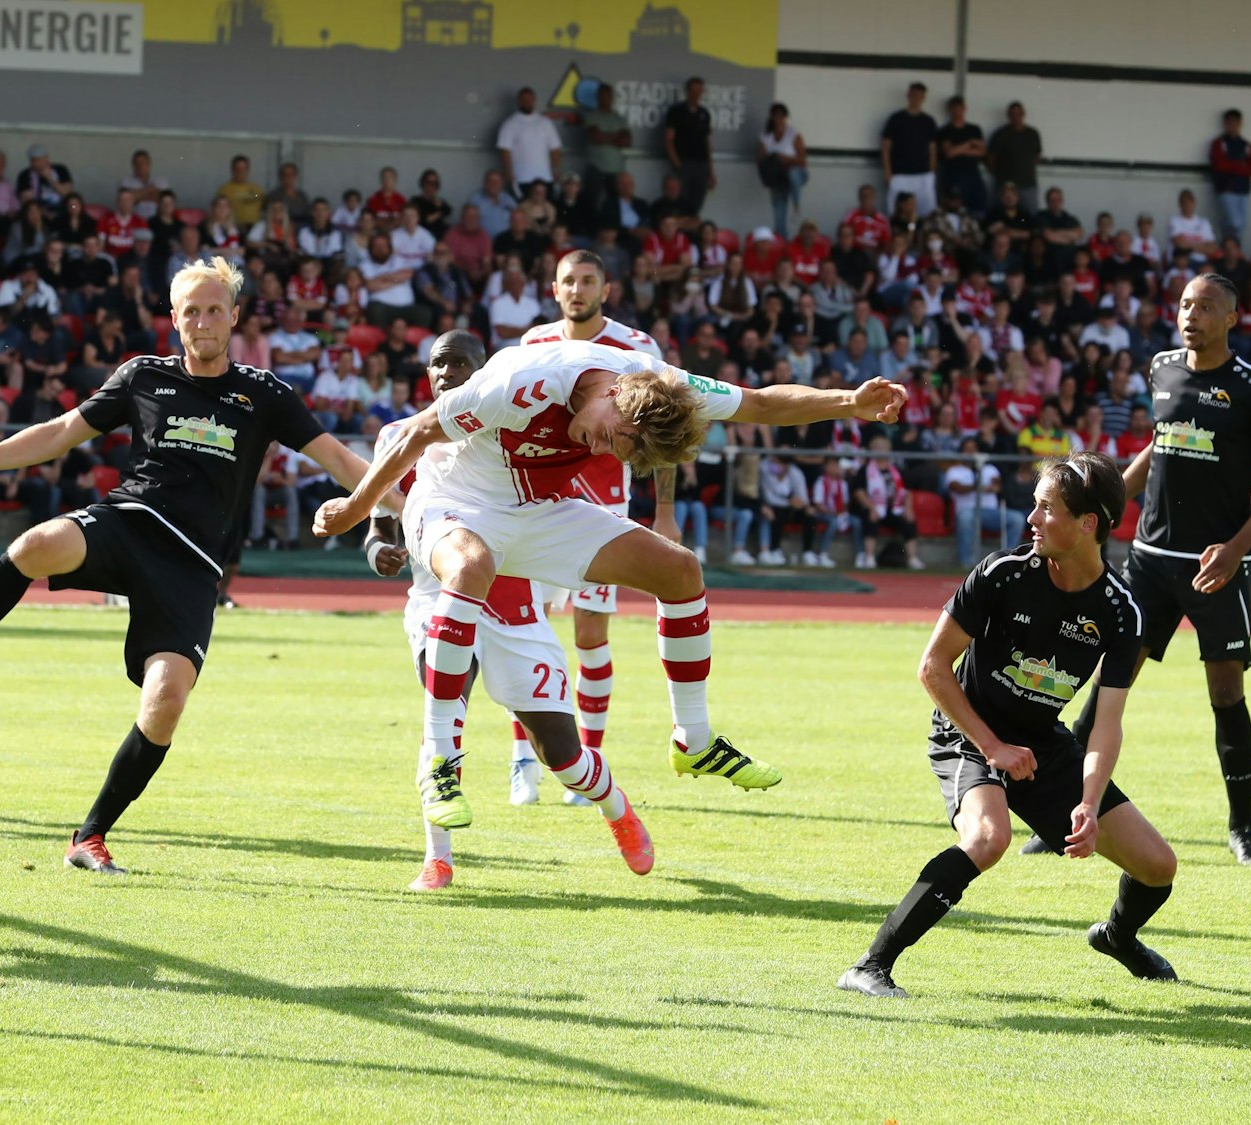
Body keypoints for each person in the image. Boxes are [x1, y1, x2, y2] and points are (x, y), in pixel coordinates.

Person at [0, 257, 374, 876]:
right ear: (174, 319)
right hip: (130, 522)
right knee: (35, 544)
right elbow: (57, 433)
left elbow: (341, 461)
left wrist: (408, 503)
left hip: (192, 566)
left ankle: (90, 836)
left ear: (235, 317)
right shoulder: (143, 376)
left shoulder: (266, 393)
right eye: (192, 311)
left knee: (166, 702)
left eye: (215, 310)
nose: (203, 322)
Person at [316, 339, 909, 821]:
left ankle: (694, 739)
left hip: (537, 510)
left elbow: (758, 405)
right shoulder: (521, 383)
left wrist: (848, 401)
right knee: (471, 566)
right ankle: (441, 762)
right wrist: (356, 509)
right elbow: (417, 432)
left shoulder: (662, 383)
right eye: (612, 437)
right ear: (616, 394)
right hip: (456, 499)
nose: (603, 449)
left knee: (680, 569)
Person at [837, 453, 1177, 998]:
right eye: (1035, 505)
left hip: (1042, 746)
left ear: (1087, 523)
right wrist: (992, 745)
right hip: (968, 732)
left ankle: (1118, 936)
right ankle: (870, 967)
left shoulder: (1121, 610)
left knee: (1158, 866)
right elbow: (932, 667)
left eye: (1047, 508)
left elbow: (1106, 725)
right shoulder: (1004, 573)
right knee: (989, 838)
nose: (1032, 519)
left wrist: (1089, 805)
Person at [365, 330, 654, 889]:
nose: (447, 374)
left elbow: (563, 507)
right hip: (438, 600)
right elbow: (378, 528)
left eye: (460, 364)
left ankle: (617, 808)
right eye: (438, 364)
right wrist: (381, 551)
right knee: (443, 716)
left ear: (485, 373)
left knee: (564, 757)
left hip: (514, 609)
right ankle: (437, 858)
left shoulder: (515, 426)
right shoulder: (398, 439)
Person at [1064, 275, 1251, 866]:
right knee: (1111, 681)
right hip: (1149, 561)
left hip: (1216, 566)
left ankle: (1243, 829)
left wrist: (1235, 548)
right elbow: (1161, 444)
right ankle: (1064, 810)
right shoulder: (1162, 368)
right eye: (1186, 305)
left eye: (1206, 307)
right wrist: (1105, 502)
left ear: (1232, 318)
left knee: (1226, 691)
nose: (1192, 315)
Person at [514, 250, 666, 803]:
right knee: (524, 629)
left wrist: (665, 512)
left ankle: (590, 758)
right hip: (535, 500)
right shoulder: (534, 342)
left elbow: (662, 430)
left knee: (589, 636)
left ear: (606, 288)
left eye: (587, 280)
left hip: (605, 504)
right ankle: (522, 760)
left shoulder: (637, 348)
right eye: (568, 281)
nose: (577, 290)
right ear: (554, 290)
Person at [881, 83, 938, 217]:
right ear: (908, 96)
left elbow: (932, 148)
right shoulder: (896, 119)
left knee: (927, 211)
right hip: (899, 173)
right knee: (896, 210)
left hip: (923, 173)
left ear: (923, 98)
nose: (916, 99)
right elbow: (886, 146)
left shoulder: (928, 121)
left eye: (919, 96)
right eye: (913, 95)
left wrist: (932, 170)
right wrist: (887, 170)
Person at [662, 77, 715, 217]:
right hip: (684, 162)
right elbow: (668, 140)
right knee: (680, 202)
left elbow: (707, 142)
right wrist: (678, 165)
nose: (696, 94)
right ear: (687, 91)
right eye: (693, 91)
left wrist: (710, 171)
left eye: (699, 91)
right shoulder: (676, 111)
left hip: (701, 165)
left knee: (697, 204)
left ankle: (692, 228)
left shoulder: (704, 113)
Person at [498, 86, 563, 199]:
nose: (527, 102)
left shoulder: (545, 122)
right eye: (524, 99)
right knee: (524, 208)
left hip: (545, 178)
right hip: (521, 178)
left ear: (534, 100)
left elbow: (555, 148)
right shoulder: (510, 123)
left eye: (529, 99)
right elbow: (505, 151)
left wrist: (556, 170)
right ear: (518, 101)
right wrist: (509, 172)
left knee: (545, 208)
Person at [758, 103, 808, 236]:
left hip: (797, 173)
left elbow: (802, 159)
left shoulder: (793, 134)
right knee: (779, 215)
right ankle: (782, 239)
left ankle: (796, 204)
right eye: (777, 116)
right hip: (778, 177)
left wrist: (785, 158)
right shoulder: (766, 136)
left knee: (792, 173)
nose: (779, 119)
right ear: (772, 117)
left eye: (782, 116)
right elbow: (760, 160)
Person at [1208, 109, 1251, 243]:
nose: (1233, 126)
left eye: (1236, 122)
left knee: (1242, 224)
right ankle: (1226, 245)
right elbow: (1220, 165)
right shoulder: (1219, 143)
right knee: (1235, 223)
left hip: (1244, 190)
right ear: (1225, 124)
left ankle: (1234, 250)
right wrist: (1240, 165)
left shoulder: (1247, 146)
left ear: (1240, 124)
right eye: (1230, 122)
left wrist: (1233, 165)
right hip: (1226, 188)